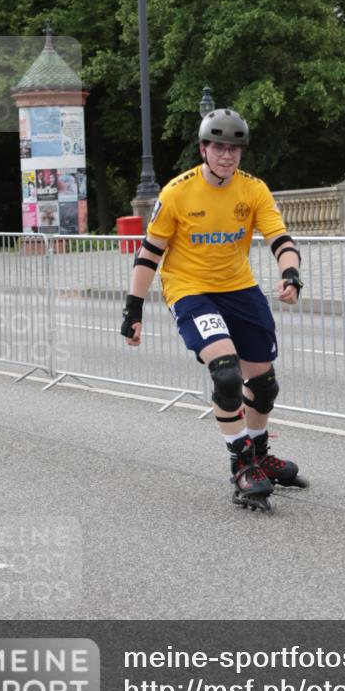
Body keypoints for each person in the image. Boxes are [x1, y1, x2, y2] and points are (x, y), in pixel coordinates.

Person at [121, 108, 308, 513]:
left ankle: (260, 455)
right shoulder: (176, 192)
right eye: (219, 147)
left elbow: (280, 238)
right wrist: (133, 308)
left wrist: (290, 273)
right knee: (226, 375)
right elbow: (150, 253)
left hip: (240, 289)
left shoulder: (253, 189)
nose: (227, 155)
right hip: (190, 291)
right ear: (204, 149)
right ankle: (241, 465)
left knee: (264, 385)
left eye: (235, 148)